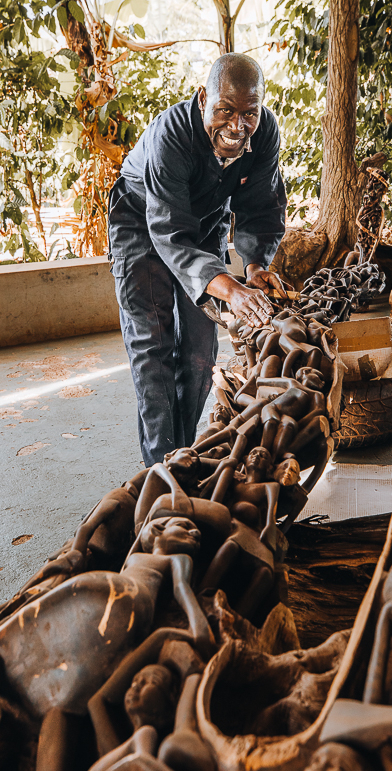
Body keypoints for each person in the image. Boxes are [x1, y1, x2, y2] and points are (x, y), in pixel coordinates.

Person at [108, 53, 288, 466]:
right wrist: (229, 287)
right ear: (204, 97)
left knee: (200, 352)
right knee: (152, 345)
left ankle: (183, 456)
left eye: (249, 113)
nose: (236, 126)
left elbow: (262, 207)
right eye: (224, 109)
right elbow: (168, 232)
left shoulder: (264, 134)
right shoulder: (171, 134)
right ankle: (160, 470)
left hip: (206, 224)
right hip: (141, 221)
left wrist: (256, 267)